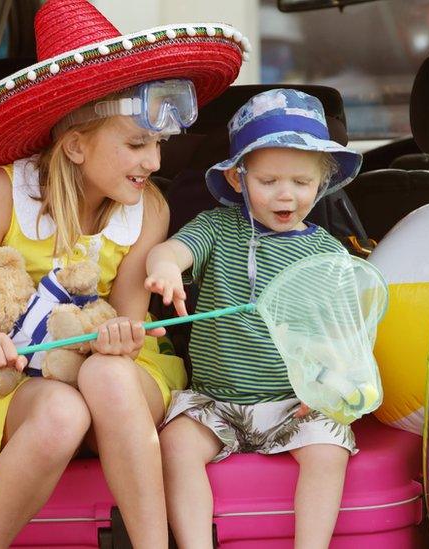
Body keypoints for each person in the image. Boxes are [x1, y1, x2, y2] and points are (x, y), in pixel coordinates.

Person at [0, 1, 246, 546]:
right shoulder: (5, 191)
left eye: (158, 145)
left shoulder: (150, 210)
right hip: (30, 380)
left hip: (122, 380)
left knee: (105, 375)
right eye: (137, 144)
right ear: (75, 144)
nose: (154, 163)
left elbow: (127, 323)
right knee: (61, 414)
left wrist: (121, 335)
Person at [144, 88, 364, 549]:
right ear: (238, 178)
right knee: (176, 446)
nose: (286, 195)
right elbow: (172, 249)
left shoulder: (327, 253)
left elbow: (342, 335)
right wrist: (165, 268)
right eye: (269, 181)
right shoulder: (217, 228)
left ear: (321, 184)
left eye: (302, 184)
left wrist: (328, 385)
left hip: (293, 402)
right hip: (214, 399)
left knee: (329, 448)